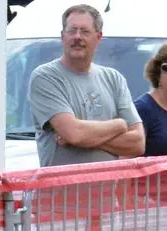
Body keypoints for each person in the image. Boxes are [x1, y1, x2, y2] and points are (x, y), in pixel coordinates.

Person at [28, 4, 144, 167]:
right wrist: (119, 125)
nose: (77, 37)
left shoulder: (114, 78)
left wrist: (84, 138)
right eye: (72, 30)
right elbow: (75, 134)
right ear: (62, 36)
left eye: (85, 31)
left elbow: (138, 143)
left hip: (109, 192)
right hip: (63, 192)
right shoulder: (46, 77)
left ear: (99, 37)